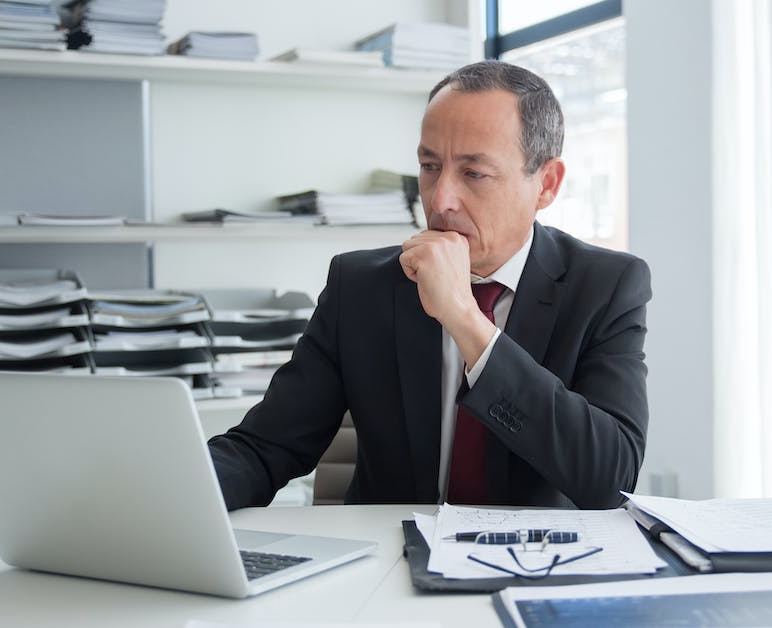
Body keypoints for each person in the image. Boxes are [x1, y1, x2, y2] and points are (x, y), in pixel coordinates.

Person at [208, 60, 651, 510]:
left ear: (546, 184)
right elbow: (265, 448)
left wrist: (464, 318)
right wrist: (171, 491)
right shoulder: (360, 287)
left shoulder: (605, 286)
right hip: (389, 562)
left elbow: (610, 479)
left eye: (474, 174)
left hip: (536, 563)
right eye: (429, 166)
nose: (440, 200)